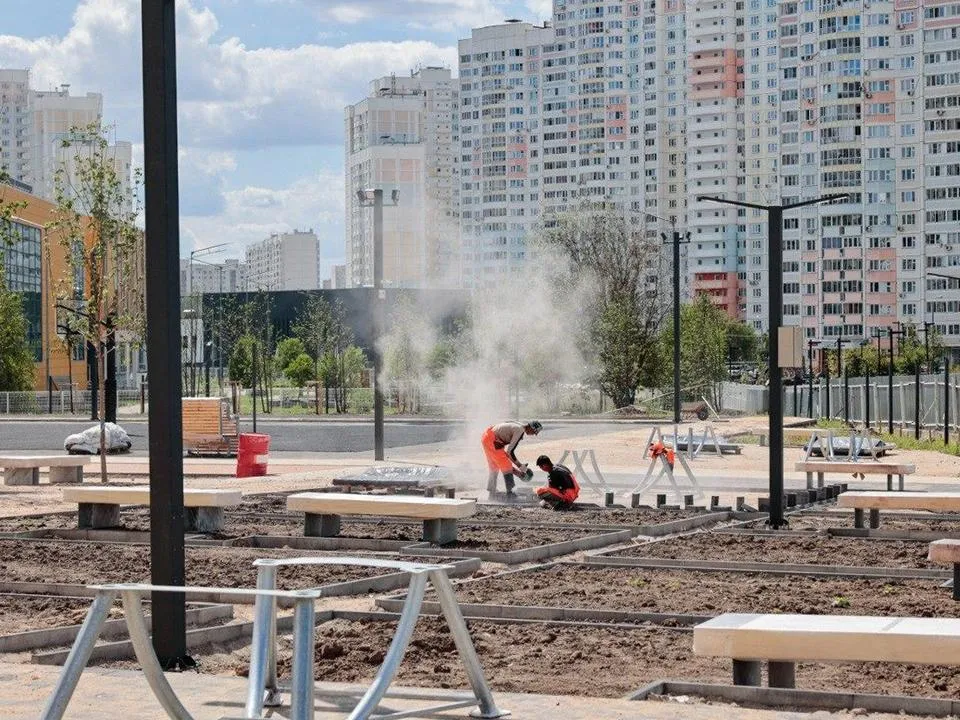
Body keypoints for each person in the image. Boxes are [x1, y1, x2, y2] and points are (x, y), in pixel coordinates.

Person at [481, 420, 542, 497]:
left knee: (494, 465)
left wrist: (520, 473)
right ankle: (510, 492)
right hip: (493, 440)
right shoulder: (519, 430)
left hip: (488, 437)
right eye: (534, 432)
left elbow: (507, 455)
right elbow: (509, 452)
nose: (533, 434)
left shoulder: (518, 426)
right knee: (506, 466)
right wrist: (521, 466)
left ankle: (492, 490)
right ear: (531, 427)